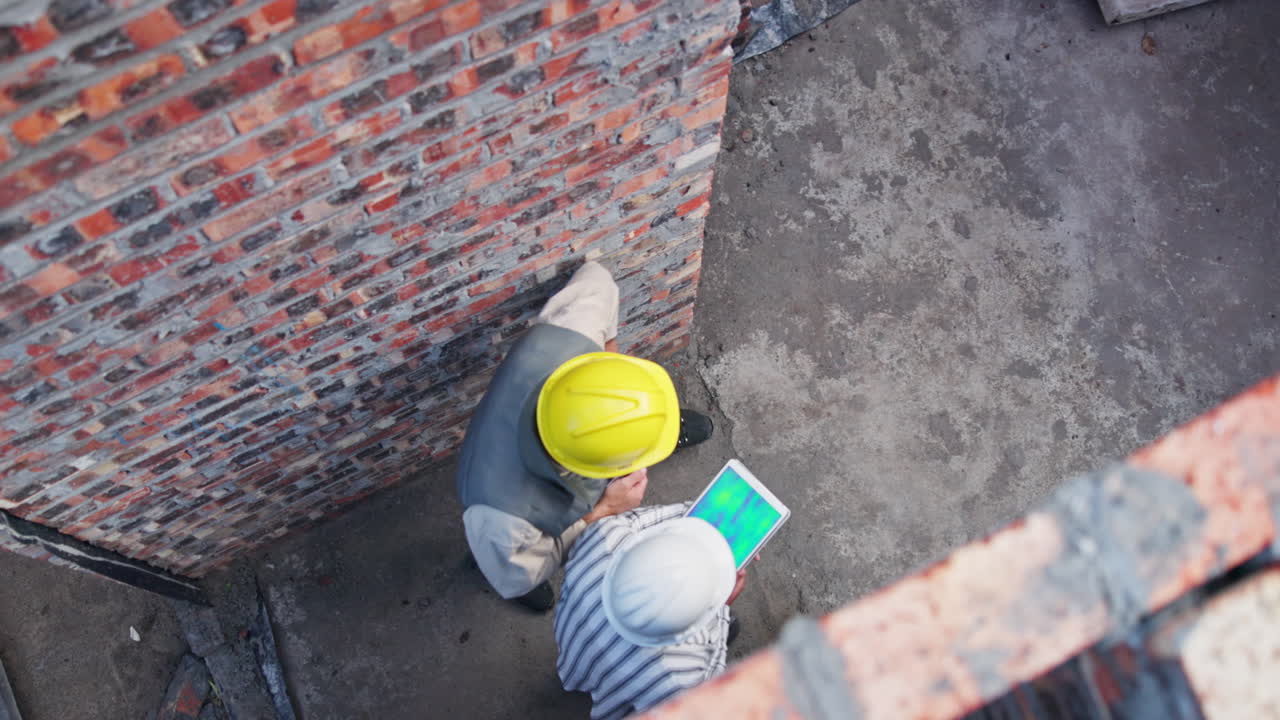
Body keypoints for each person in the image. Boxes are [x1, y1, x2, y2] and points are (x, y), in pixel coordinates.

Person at [455, 261, 714, 611]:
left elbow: (597, 277)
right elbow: (514, 570)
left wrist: (609, 372)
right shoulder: (501, 521)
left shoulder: (577, 324)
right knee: (521, 571)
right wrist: (607, 509)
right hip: (511, 534)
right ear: (583, 468)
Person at [554, 504, 746, 719]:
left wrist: (696, 511)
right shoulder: (680, 679)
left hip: (576, 652)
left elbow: (641, 520)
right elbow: (712, 673)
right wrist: (723, 607)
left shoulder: (601, 535)